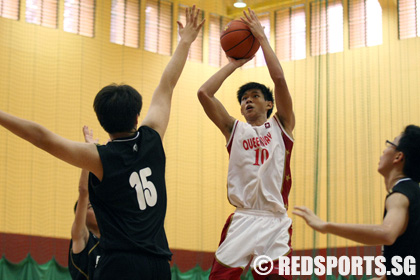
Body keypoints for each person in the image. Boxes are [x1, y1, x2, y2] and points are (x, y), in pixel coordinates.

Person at [0, 5, 204, 280]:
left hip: (118, 265)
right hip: (157, 265)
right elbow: (167, 83)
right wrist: (185, 41)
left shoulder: (98, 157)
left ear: (102, 122)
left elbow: (41, 137)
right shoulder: (153, 137)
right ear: (136, 115)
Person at [197, 8, 295, 280]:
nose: (248, 100)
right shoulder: (234, 129)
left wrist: (262, 39)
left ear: (269, 104)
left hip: (275, 220)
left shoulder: (282, 125)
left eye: (255, 96)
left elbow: (279, 80)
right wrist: (235, 63)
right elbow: (204, 93)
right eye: (244, 99)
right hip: (242, 218)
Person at [293, 125, 420, 280]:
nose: (384, 150)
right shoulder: (413, 192)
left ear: (398, 157)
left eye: (390, 144)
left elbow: (387, 234)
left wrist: (325, 226)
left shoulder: (399, 196)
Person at [68, 126, 102, 280]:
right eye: (90, 207)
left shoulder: (111, 238)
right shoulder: (81, 237)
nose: (94, 208)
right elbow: (83, 191)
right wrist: (89, 154)